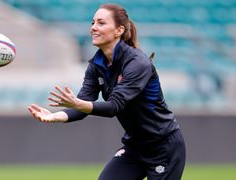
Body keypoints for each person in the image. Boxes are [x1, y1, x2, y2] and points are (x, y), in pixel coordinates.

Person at [28, 3, 186, 180]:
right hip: (135, 147)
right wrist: (55, 116)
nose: (94, 28)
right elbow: (82, 107)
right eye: (92, 23)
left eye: (101, 23)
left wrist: (79, 104)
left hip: (163, 146)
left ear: (118, 30)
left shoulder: (137, 63)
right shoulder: (96, 65)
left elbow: (114, 107)